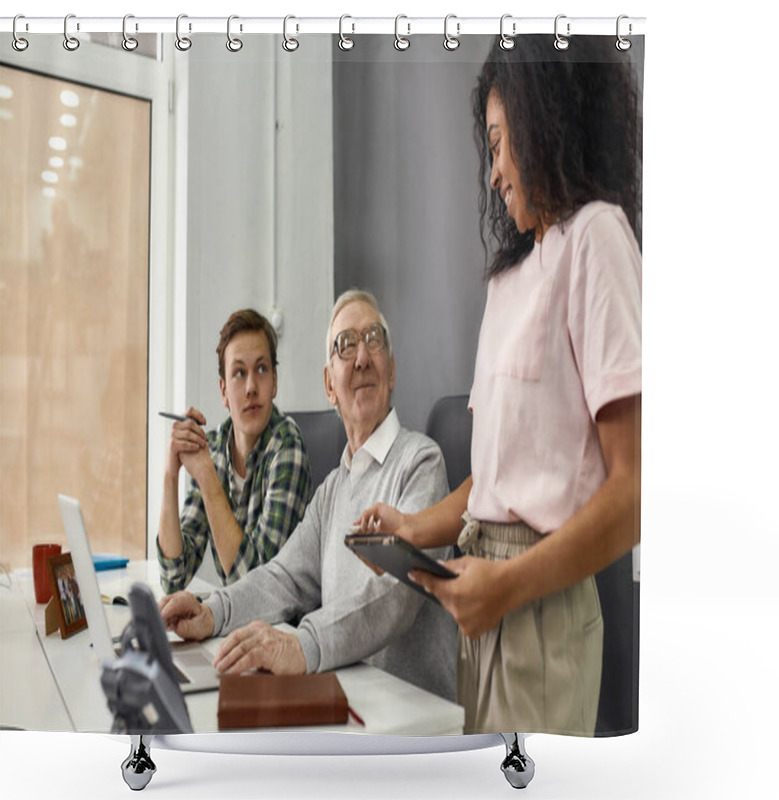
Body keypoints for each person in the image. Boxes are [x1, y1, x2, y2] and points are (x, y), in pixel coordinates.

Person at [357, 36, 642, 735]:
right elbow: (495, 481)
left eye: (498, 142)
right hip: (479, 599)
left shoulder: (597, 239)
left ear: (544, 124)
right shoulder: (510, 280)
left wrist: (507, 585)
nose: (492, 173)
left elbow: (635, 492)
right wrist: (413, 530)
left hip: (537, 603)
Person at [159, 290, 456, 701]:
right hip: (345, 703)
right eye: (345, 345)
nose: (362, 357)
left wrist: (304, 644)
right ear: (328, 386)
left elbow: (395, 594)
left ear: (391, 372)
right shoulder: (333, 489)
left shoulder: (422, 462)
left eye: (373, 340)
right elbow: (281, 578)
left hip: (410, 720)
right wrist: (212, 612)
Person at [158, 309, 312, 591]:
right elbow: (173, 577)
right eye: (239, 373)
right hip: (235, 624)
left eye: (262, 370)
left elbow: (257, 586)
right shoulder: (214, 449)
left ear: (274, 381)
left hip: (282, 628)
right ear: (223, 391)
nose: (252, 387)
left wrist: (207, 478)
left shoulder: (288, 447)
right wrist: (170, 474)